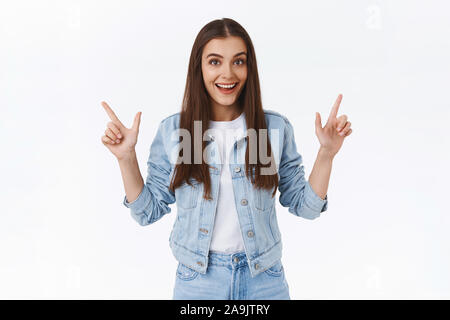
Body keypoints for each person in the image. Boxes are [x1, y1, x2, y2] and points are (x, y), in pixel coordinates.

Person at [101, 18, 352, 300]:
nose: (228, 74)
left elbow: (306, 208)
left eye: (238, 61)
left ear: (249, 68)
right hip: (198, 282)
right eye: (215, 62)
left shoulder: (271, 130)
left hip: (264, 281)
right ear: (200, 68)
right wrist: (126, 158)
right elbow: (148, 212)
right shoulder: (178, 132)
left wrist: (327, 153)